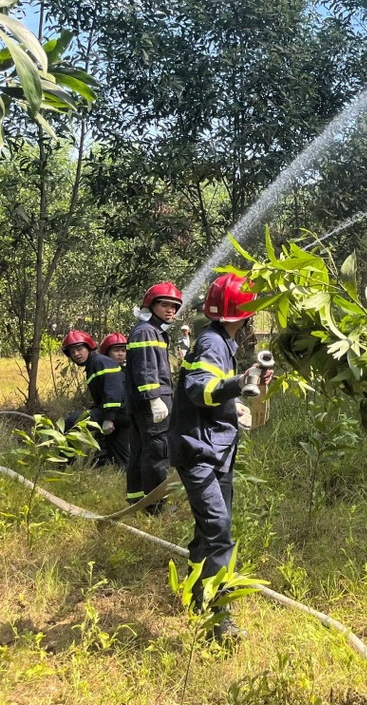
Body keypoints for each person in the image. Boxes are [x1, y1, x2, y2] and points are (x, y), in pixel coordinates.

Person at [168, 272, 272, 642]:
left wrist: (241, 394)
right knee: (218, 531)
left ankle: (197, 597)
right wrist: (236, 383)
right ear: (242, 315)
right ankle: (218, 616)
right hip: (199, 453)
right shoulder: (212, 343)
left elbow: (213, 395)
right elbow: (199, 390)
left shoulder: (221, 342)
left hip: (216, 449)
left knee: (209, 529)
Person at [125, 282, 182, 511]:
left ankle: (137, 499)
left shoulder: (151, 330)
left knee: (140, 451)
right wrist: (154, 399)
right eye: (165, 305)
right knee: (157, 453)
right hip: (152, 405)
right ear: (152, 305)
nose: (170, 310)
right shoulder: (147, 331)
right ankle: (156, 505)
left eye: (174, 306)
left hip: (144, 404)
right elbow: (146, 369)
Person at [61, 329, 130, 468]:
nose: (76, 354)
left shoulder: (99, 361)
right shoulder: (95, 363)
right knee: (118, 455)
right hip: (125, 412)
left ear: (88, 347)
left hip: (118, 412)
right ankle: (125, 477)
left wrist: (109, 418)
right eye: (72, 352)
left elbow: (113, 389)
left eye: (79, 349)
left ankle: (63, 465)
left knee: (72, 422)